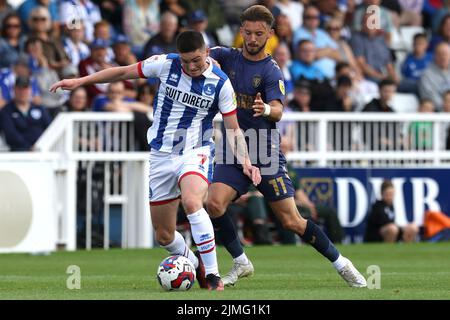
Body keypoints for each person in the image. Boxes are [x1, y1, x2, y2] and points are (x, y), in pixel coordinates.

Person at [50, 30, 261, 291]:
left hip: (195, 151)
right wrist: (80, 81)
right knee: (163, 235)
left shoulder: (220, 83)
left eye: (196, 60)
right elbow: (120, 72)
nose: (191, 66)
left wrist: (246, 162)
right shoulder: (165, 64)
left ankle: (213, 276)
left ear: (207, 53)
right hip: (161, 155)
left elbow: (233, 128)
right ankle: (196, 266)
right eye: (186, 61)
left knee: (193, 201)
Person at [207, 5, 367, 288]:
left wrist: (265, 108)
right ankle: (241, 261)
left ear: (270, 33)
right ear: (241, 31)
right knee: (214, 204)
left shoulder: (271, 71)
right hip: (233, 146)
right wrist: (209, 64)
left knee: (292, 221)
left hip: (264, 150)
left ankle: (342, 264)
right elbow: (197, 54)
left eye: (259, 34)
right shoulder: (224, 56)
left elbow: (279, 111)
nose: (253, 39)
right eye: (248, 32)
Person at [1, 75, 51, 151]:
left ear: (30, 90)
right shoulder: (7, 111)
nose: (22, 92)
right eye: (19, 89)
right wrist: (28, 147)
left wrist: (40, 145)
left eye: (25, 89)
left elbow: (49, 128)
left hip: (42, 150)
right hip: (19, 152)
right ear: (14, 90)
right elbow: (10, 134)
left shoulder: (40, 108)